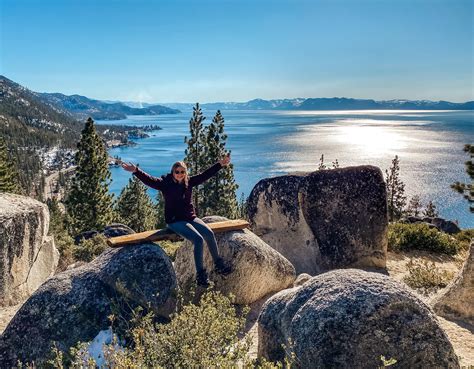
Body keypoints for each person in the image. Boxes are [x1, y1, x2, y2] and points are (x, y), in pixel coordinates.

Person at [121, 155, 232, 287]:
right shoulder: (165, 184)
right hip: (175, 221)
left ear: (185, 173)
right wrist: (136, 171)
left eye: (182, 172)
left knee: (209, 233)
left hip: (190, 217)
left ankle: (218, 265)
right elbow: (150, 180)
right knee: (198, 239)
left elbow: (204, 175)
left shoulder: (189, 182)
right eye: (177, 172)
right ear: (173, 172)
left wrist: (220, 164)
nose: (179, 174)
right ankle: (201, 276)